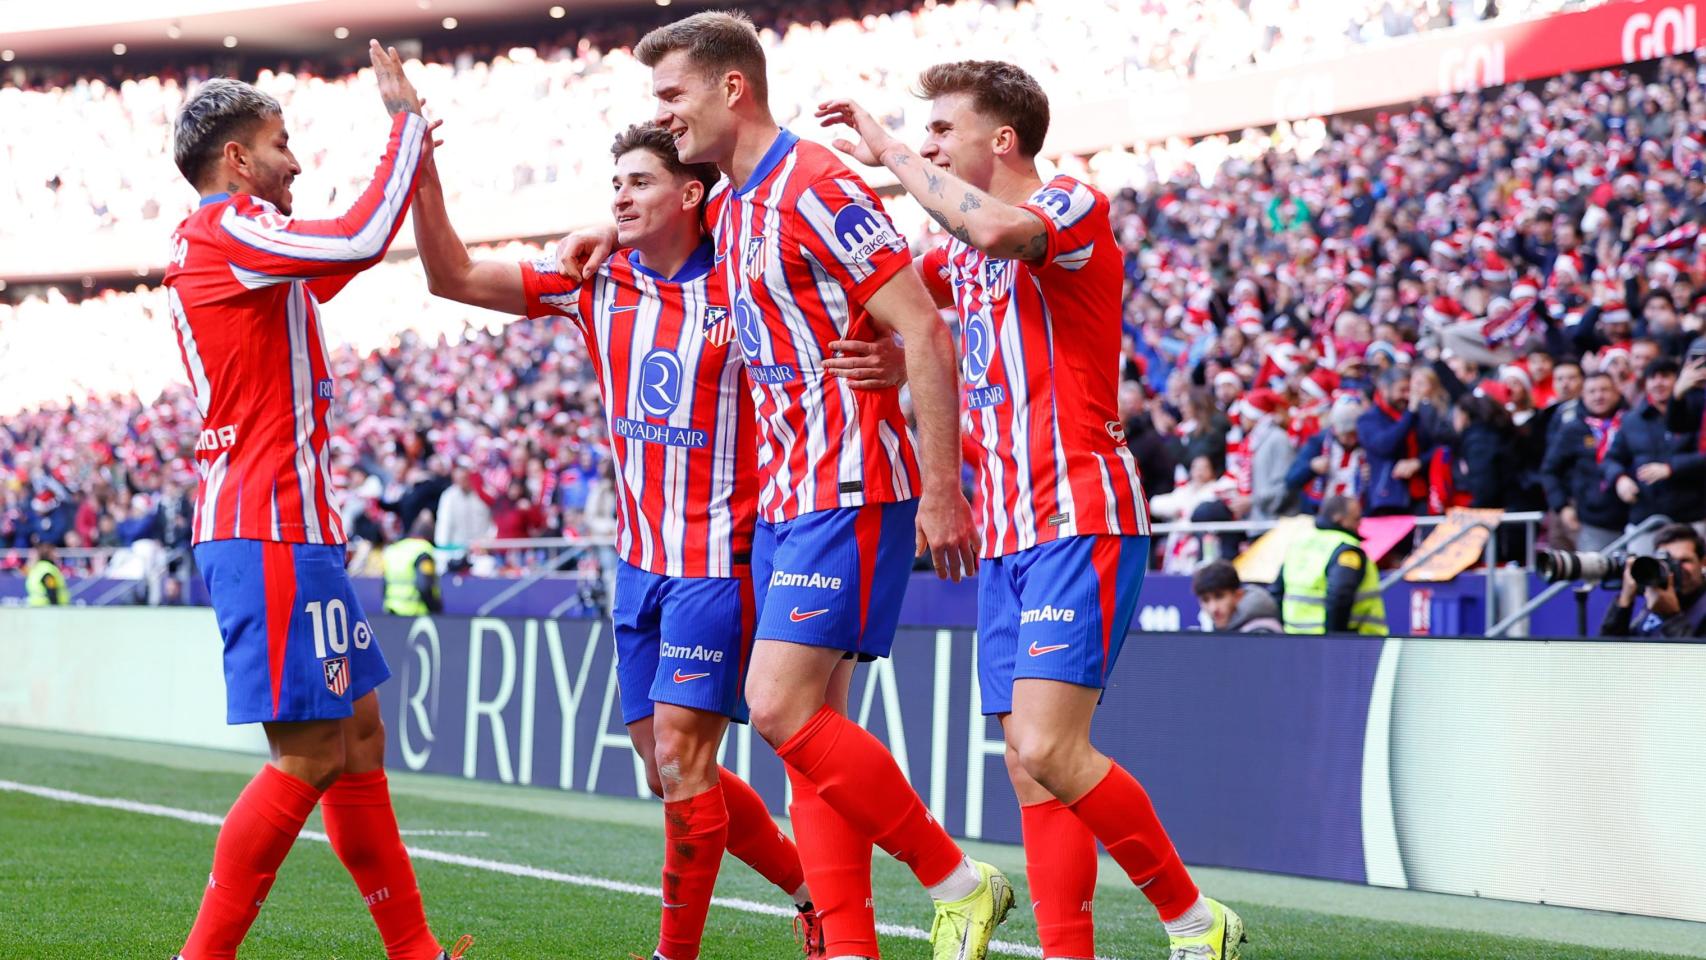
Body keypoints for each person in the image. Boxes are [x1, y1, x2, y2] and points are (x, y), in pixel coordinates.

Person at [820, 60, 1244, 960]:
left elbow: (1002, 230)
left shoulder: (1068, 208)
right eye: (920, 131)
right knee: (1028, 768)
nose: (925, 143)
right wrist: (906, 362)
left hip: (1080, 512)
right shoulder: (956, 256)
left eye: (941, 130)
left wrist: (893, 155)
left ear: (1000, 140)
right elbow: (906, 306)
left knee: (1051, 748)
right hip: (1007, 529)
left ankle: (1194, 920)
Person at [410, 120, 822, 960]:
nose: (619, 197)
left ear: (693, 193)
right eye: (616, 186)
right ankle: (813, 891)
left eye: (638, 183)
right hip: (637, 569)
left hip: (720, 563)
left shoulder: (747, 280)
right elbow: (450, 274)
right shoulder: (596, 282)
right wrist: (417, 165)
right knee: (663, 770)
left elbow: (840, 277)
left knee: (681, 756)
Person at [162, 47, 467, 960]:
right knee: (307, 755)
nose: (295, 160)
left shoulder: (237, 245)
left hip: (292, 530)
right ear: (236, 162)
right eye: (279, 144)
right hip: (270, 529)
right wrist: (403, 127)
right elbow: (355, 238)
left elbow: (338, 262)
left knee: (359, 739)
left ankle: (415, 954)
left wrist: (413, 161)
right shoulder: (228, 229)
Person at [1604, 357, 1706, 552]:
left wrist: (1671, 468)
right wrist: (1619, 478)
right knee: (1641, 575)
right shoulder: (1632, 419)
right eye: (1653, 377)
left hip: (1689, 516)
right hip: (1645, 517)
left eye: (1666, 377)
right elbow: (1612, 458)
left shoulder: (1698, 411)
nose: (1658, 383)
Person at [1273, 494, 1387, 635]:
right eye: (1356, 518)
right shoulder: (1346, 549)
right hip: (1351, 642)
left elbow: (1277, 591)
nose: (1360, 524)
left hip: (1295, 637)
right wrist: (1334, 641)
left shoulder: (1300, 542)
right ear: (1339, 519)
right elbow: (1340, 596)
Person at [1541, 373, 1629, 553]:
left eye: (1604, 390)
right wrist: (1562, 506)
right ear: (1583, 395)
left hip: (1633, 514)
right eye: (1592, 391)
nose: (1599, 396)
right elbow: (1549, 470)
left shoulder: (1632, 421)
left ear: (1617, 392)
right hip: (1592, 519)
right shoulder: (1573, 429)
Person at [1601, 523, 1706, 638]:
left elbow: (1696, 655)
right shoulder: (1655, 597)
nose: (1676, 569)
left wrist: (1671, 615)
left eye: (1684, 561)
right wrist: (1624, 602)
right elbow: (1609, 651)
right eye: (1668, 561)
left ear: (1703, 562)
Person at [1192, 560, 1282, 633]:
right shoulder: (1225, 627)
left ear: (1238, 595)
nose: (1213, 608)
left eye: (1219, 597)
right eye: (1205, 600)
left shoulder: (1262, 632)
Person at [381, 516, 441, 616]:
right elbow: (424, 586)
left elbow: (384, 584)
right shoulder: (423, 551)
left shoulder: (394, 549)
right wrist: (435, 608)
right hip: (415, 613)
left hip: (391, 612)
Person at [24, 541, 68, 607]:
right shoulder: (47, 569)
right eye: (55, 552)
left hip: (36, 606)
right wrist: (55, 607)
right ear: (49, 554)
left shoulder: (37, 568)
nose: (58, 555)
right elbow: (51, 589)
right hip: (46, 608)